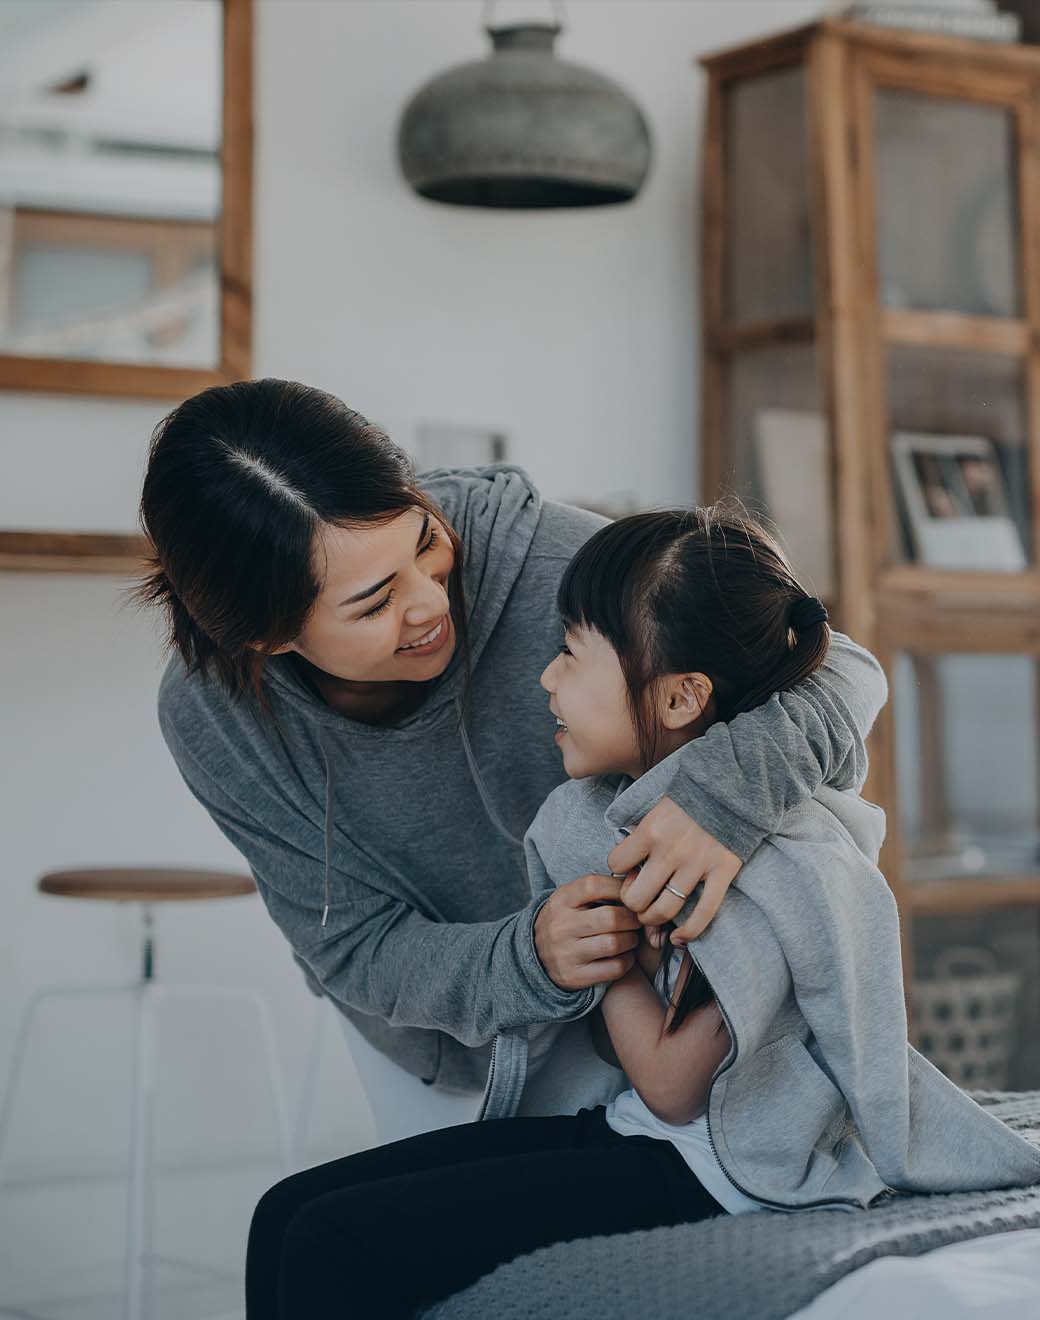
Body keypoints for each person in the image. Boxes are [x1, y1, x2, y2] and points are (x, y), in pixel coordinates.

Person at [245, 504, 1040, 1320]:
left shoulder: (748, 860)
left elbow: (670, 1084)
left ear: (679, 698)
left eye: (569, 654)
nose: (546, 679)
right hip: (643, 1137)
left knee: (330, 1239)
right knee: (283, 1212)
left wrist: (606, 951)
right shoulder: (619, 812)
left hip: (721, 1171)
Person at [142, 378, 886, 1099]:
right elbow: (352, 947)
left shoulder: (551, 557)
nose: (432, 602)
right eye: (374, 604)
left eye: (426, 540)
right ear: (268, 638)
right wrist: (528, 958)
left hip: (659, 1023)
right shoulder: (212, 718)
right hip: (446, 1050)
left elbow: (839, 667)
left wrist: (722, 797)